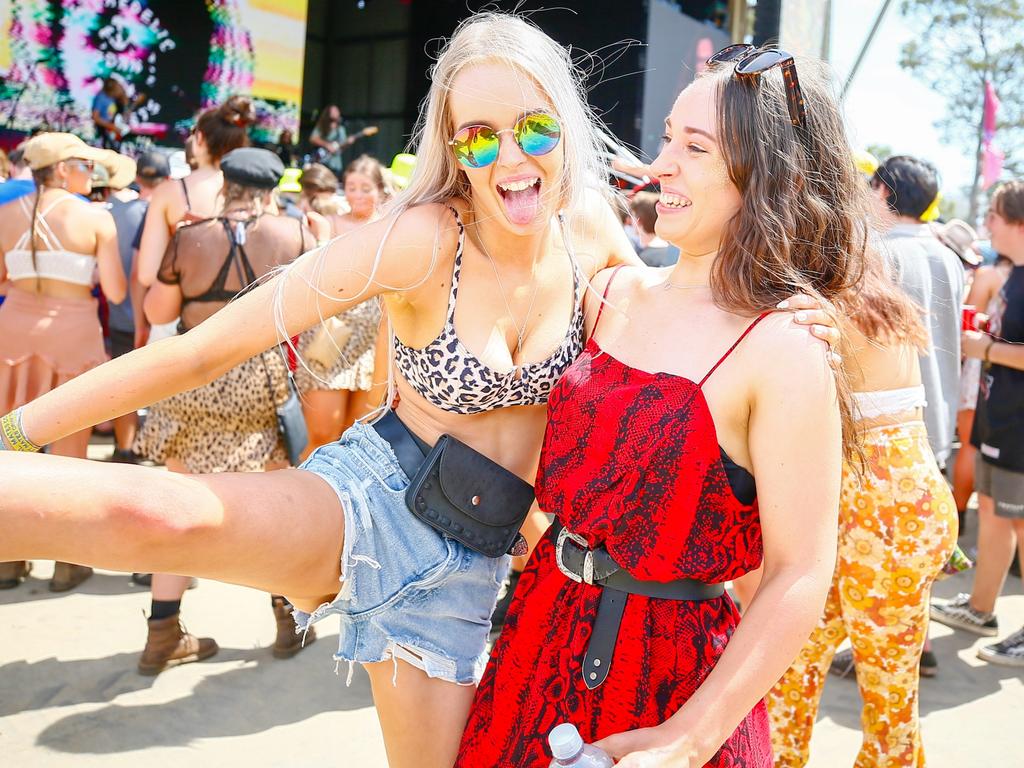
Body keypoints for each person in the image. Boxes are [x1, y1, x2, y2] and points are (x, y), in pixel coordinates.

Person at [0, 16, 835, 767]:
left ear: (567, 129)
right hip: (379, 498)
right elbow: (204, 349)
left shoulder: (596, 244)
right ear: (452, 150)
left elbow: (681, 321)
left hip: (484, 562)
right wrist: (21, 428)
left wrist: (795, 305)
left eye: (534, 127)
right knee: (159, 514)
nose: (508, 158)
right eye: (477, 139)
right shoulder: (422, 239)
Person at [454, 42, 858, 768]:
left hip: (674, 685)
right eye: (668, 136)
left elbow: (801, 570)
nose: (659, 163)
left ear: (770, 176)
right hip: (534, 641)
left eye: (694, 147)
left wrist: (688, 739)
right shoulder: (607, 292)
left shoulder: (785, 347)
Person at [765, 245, 957, 766]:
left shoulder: (818, 310)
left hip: (874, 512)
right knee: (872, 675)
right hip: (903, 503)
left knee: (811, 665)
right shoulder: (882, 302)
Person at [130, 148, 316, 673]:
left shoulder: (189, 237)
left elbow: (158, 311)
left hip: (192, 375)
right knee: (279, 505)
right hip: (262, 378)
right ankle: (288, 619)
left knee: (177, 509)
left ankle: (162, 634)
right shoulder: (293, 235)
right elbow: (327, 313)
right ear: (272, 188)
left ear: (225, 186)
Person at [0, 132, 128, 590]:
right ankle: (65, 561)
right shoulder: (95, 219)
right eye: (82, 166)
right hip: (72, 334)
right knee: (68, 451)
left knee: (11, 446)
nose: (89, 175)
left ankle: (8, 558)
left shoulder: (5, 215)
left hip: (11, 333)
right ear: (59, 169)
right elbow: (114, 291)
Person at [932, 180, 1024, 667]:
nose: (986, 223)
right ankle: (981, 608)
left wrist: (983, 349)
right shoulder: (1011, 276)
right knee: (993, 513)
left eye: (994, 214)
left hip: (1018, 427)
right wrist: (986, 336)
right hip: (999, 417)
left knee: (1019, 519)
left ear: (1016, 222)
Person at [870, 155, 964, 469]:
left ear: (882, 191)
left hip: (892, 427)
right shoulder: (949, 257)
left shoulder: (879, 253)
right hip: (940, 417)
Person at [294, 157, 387, 456]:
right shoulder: (329, 224)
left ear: (380, 190)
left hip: (374, 341)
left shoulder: (392, 226)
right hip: (331, 334)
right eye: (351, 188)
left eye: (365, 188)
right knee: (322, 433)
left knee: (358, 438)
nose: (358, 195)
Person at [105, 151, 170, 463]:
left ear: (138, 178)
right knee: (165, 381)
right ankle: (157, 448)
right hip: (163, 316)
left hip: (122, 315)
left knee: (122, 385)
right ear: (167, 179)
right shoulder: (171, 213)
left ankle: (124, 448)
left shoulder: (111, 211)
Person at [309, 104, 378, 176]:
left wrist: (348, 143)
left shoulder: (340, 129)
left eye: (337, 111)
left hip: (335, 163)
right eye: (334, 111)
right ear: (328, 113)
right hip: (321, 161)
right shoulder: (322, 126)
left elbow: (342, 147)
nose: (337, 112)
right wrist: (327, 145)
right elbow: (313, 138)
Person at [628, 190, 678, 267]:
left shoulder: (645, 258)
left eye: (632, 216)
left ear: (639, 220)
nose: (630, 220)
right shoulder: (674, 250)